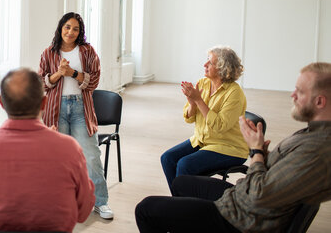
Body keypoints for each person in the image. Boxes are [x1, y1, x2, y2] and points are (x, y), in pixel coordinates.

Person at [135, 62, 331, 233]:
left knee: (145, 209)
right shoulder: (312, 134)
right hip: (240, 198)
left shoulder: (317, 149)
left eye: (300, 91)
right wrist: (263, 153)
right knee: (180, 182)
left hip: (241, 220)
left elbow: (258, 196)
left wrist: (255, 151)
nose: (292, 95)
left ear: (320, 101)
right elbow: (283, 173)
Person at [0, 68, 95, 232]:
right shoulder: (69, 148)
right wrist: (58, 146)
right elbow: (83, 212)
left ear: (2, 103)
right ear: (44, 102)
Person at [38, 12, 113, 219]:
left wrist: (71, 72)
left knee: (91, 155)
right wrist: (58, 74)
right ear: (61, 28)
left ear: (80, 33)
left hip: (81, 108)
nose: (70, 32)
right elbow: (42, 82)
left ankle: (101, 202)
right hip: (56, 110)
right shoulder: (49, 53)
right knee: (58, 158)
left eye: (75, 29)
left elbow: (94, 81)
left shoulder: (87, 51)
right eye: (67, 27)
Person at [160, 46, 248, 193]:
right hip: (203, 140)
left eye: (210, 63)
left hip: (229, 148)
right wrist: (193, 102)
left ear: (222, 68)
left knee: (185, 165)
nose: (205, 65)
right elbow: (189, 118)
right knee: (167, 158)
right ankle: (180, 203)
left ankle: (184, 207)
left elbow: (220, 126)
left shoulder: (235, 93)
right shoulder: (203, 83)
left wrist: (199, 100)